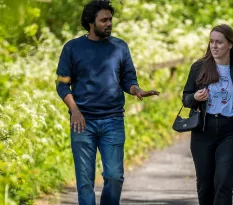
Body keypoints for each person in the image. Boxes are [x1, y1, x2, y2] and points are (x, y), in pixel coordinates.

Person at [55, 1, 159, 204]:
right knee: (85, 181)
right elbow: (61, 85)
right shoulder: (72, 48)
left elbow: (128, 79)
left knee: (114, 176)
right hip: (82, 122)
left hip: (112, 120)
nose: (109, 23)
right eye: (104, 20)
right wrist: (74, 110)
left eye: (110, 19)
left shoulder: (120, 47)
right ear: (91, 23)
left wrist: (136, 90)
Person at [182, 24, 233, 205]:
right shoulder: (199, 67)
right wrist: (195, 97)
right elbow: (186, 98)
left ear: (230, 44)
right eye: (211, 42)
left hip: (230, 131)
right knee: (205, 185)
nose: (214, 46)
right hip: (203, 131)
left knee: (223, 181)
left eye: (219, 42)